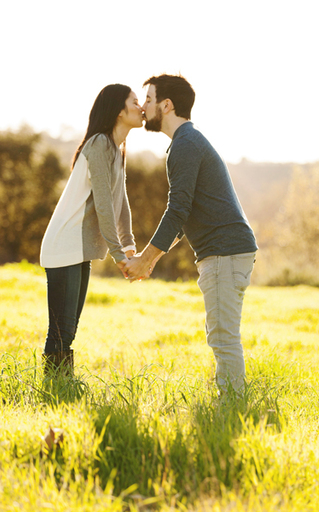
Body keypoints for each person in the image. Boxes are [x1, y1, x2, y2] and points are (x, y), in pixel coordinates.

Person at [124, 74, 258, 395]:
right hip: (224, 251)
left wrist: (145, 259)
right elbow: (183, 220)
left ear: (166, 105)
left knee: (223, 338)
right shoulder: (185, 143)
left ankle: (231, 410)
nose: (143, 108)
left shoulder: (185, 145)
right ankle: (230, 404)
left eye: (149, 100)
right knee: (221, 335)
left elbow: (177, 210)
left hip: (225, 251)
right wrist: (151, 259)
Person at [39, 84, 143, 377]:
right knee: (61, 330)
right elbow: (103, 203)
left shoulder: (116, 149)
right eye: (135, 102)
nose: (142, 108)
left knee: (68, 328)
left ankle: (61, 384)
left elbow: (120, 201)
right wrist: (117, 253)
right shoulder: (99, 144)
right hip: (64, 245)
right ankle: (56, 387)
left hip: (78, 247)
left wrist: (129, 243)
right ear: (119, 110)